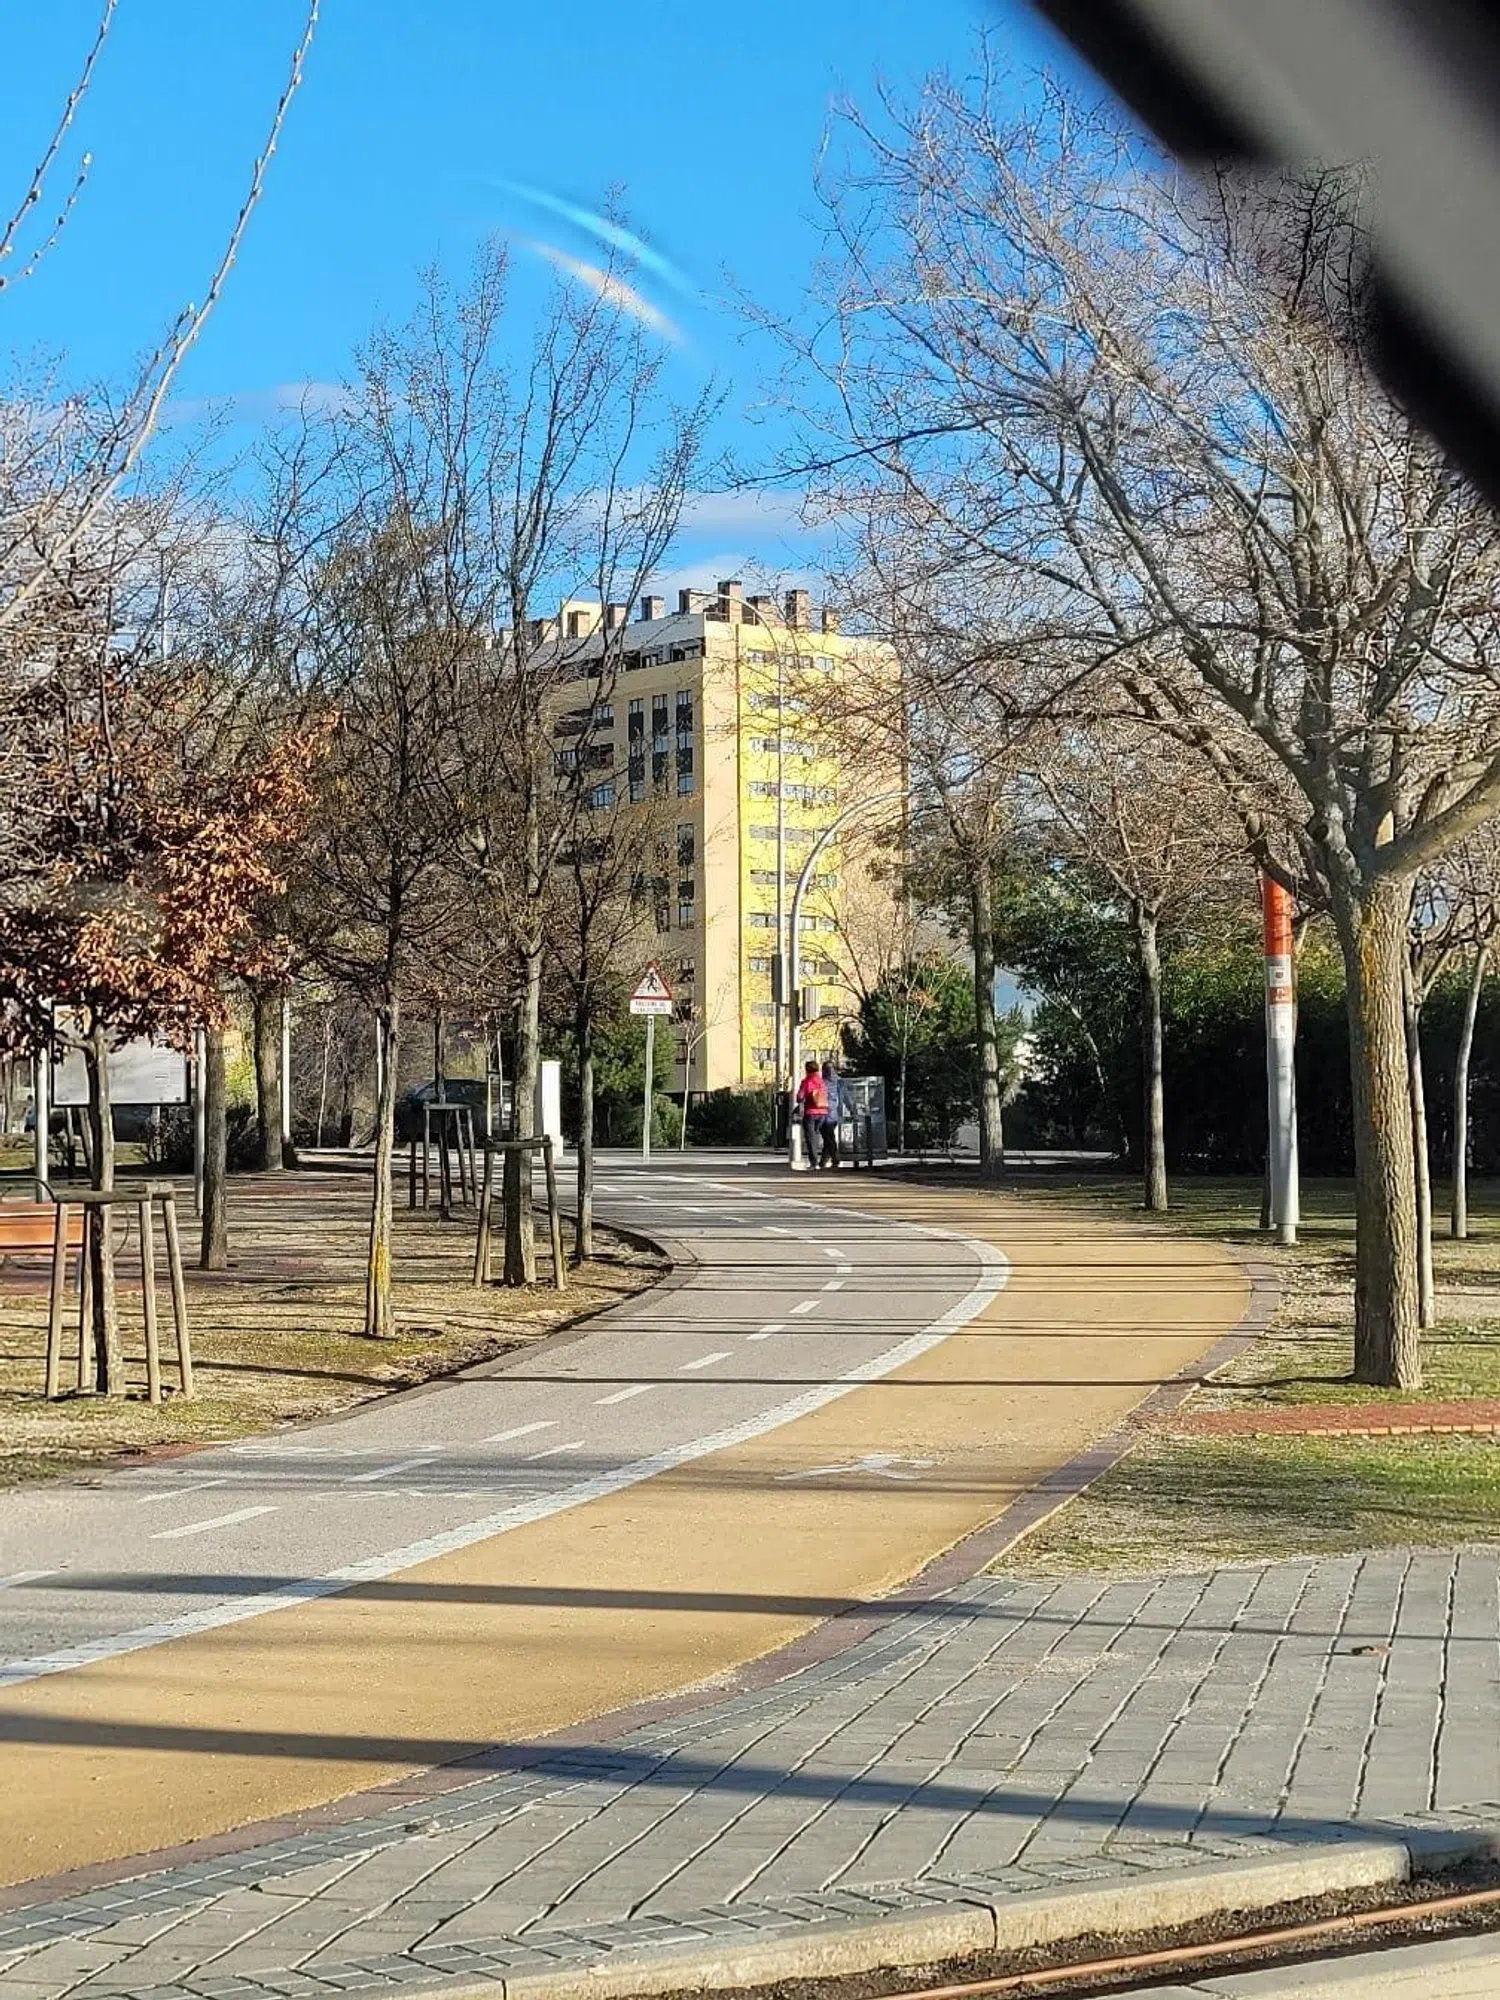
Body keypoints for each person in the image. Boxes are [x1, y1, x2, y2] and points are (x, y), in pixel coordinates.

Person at [794, 1057, 828, 1168]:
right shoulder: (822, 1081)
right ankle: (824, 1159)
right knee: (820, 1135)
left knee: (811, 1138)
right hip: (823, 1112)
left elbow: (800, 1097)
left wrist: (802, 1099)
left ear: (807, 1070)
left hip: (811, 1112)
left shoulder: (807, 1081)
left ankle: (814, 1162)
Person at [819, 1060, 842, 1170]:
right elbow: (846, 1097)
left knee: (828, 1137)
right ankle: (824, 1161)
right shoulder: (839, 1082)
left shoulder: (822, 1082)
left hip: (823, 1112)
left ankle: (834, 1158)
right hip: (834, 1113)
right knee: (828, 1137)